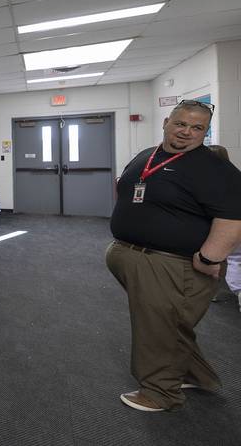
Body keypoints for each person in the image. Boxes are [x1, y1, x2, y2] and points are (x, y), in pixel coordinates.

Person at [106, 100, 241, 412]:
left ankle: (160, 393)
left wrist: (209, 259)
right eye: (181, 123)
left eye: (198, 128)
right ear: (167, 121)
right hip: (135, 256)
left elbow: (233, 219)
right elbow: (127, 187)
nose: (187, 132)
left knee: (158, 330)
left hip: (172, 263)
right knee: (169, 324)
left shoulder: (213, 168)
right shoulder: (148, 155)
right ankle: (194, 375)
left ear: (205, 133)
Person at [209, 145, 241, 312]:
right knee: (233, 259)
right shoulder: (235, 174)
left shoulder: (209, 177)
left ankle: (214, 291)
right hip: (233, 224)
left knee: (226, 259)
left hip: (224, 225)